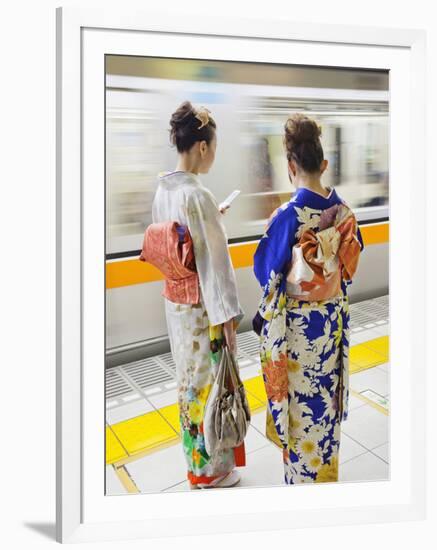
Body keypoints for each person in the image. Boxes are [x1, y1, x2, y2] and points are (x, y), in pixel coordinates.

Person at [253, 113, 364, 484]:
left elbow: (266, 273)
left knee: (302, 413)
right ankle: (326, 477)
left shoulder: (286, 216)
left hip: (300, 334)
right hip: (331, 325)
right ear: (325, 164)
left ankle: (302, 486)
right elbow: (349, 266)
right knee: (326, 404)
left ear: (290, 166)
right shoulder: (345, 213)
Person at [151, 101, 245, 489]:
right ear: (202, 146)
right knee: (211, 386)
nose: (213, 156)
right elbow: (215, 268)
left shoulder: (164, 189)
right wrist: (227, 321)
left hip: (176, 306)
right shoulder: (198, 195)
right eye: (214, 148)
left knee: (188, 383)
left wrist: (211, 220)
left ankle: (193, 463)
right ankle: (213, 470)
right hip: (204, 312)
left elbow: (179, 247)